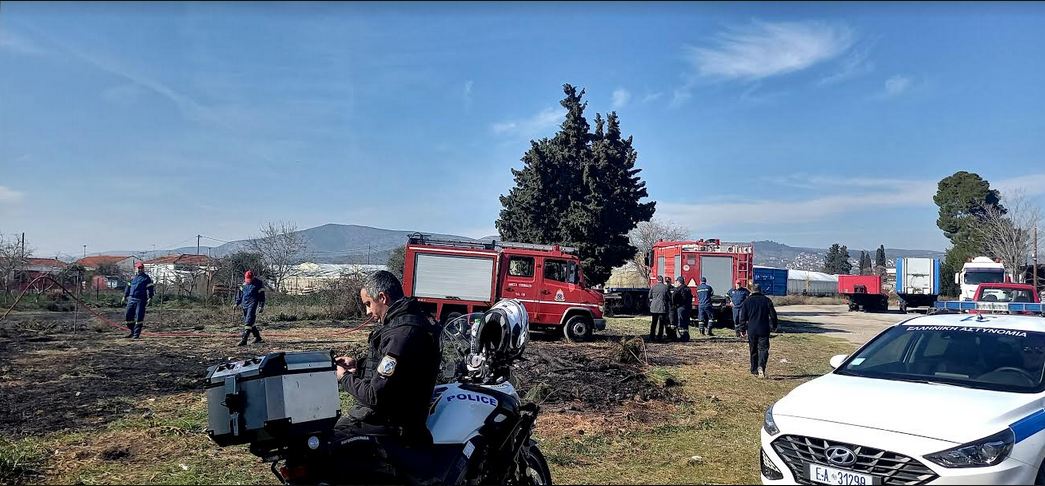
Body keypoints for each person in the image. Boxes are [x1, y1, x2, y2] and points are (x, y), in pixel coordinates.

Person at [333, 270, 441, 448]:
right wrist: (358, 366)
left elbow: (375, 395)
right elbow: (398, 371)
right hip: (395, 420)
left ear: (382, 297)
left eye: (368, 304)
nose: (368, 311)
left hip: (393, 427)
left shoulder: (402, 334)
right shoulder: (408, 324)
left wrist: (344, 377)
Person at [739, 283, 779, 378]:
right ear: (760, 290)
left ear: (752, 291)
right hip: (764, 328)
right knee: (763, 349)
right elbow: (773, 315)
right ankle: (761, 366)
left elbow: (742, 317)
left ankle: (754, 369)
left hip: (752, 329)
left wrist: (742, 329)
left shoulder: (747, 301)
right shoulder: (767, 300)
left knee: (753, 349)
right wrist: (774, 326)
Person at [121, 261, 154, 339]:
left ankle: (136, 334)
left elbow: (150, 289)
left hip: (141, 299)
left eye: (141, 268)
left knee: (139, 317)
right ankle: (132, 331)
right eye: (139, 268)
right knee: (128, 317)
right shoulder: (132, 278)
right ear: (135, 269)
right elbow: (128, 288)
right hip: (131, 299)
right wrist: (124, 296)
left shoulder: (146, 278)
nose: (140, 269)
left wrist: (150, 298)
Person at [235, 270, 266, 346]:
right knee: (249, 322)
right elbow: (240, 295)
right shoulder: (244, 284)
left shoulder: (259, 284)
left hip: (253, 304)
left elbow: (262, 296)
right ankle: (257, 337)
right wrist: (236, 303)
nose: (248, 281)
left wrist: (261, 306)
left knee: (248, 320)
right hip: (244, 304)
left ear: (253, 277)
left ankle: (244, 339)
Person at [648, 275, 671, 342]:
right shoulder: (665, 287)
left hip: (654, 307)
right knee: (661, 323)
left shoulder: (653, 287)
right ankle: (659, 337)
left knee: (654, 323)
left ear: (657, 280)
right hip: (662, 307)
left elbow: (649, 296)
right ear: (662, 280)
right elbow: (669, 297)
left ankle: (652, 336)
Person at [672, 276, 693, 342]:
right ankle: (686, 336)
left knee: (680, 322)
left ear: (679, 282)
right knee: (686, 322)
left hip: (680, 307)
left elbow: (673, 297)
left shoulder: (678, 289)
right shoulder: (688, 289)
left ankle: (683, 336)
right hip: (688, 308)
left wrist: (675, 305)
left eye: (677, 282)